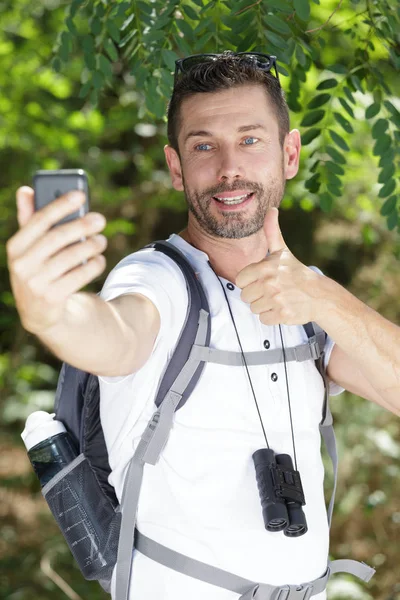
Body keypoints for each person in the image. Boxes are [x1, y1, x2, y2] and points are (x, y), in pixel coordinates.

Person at [6, 52, 400, 600]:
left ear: (289, 153)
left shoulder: (306, 295)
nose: (228, 168)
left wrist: (326, 298)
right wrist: (49, 309)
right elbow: (114, 335)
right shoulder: (157, 280)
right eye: (203, 145)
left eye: (251, 140)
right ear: (176, 167)